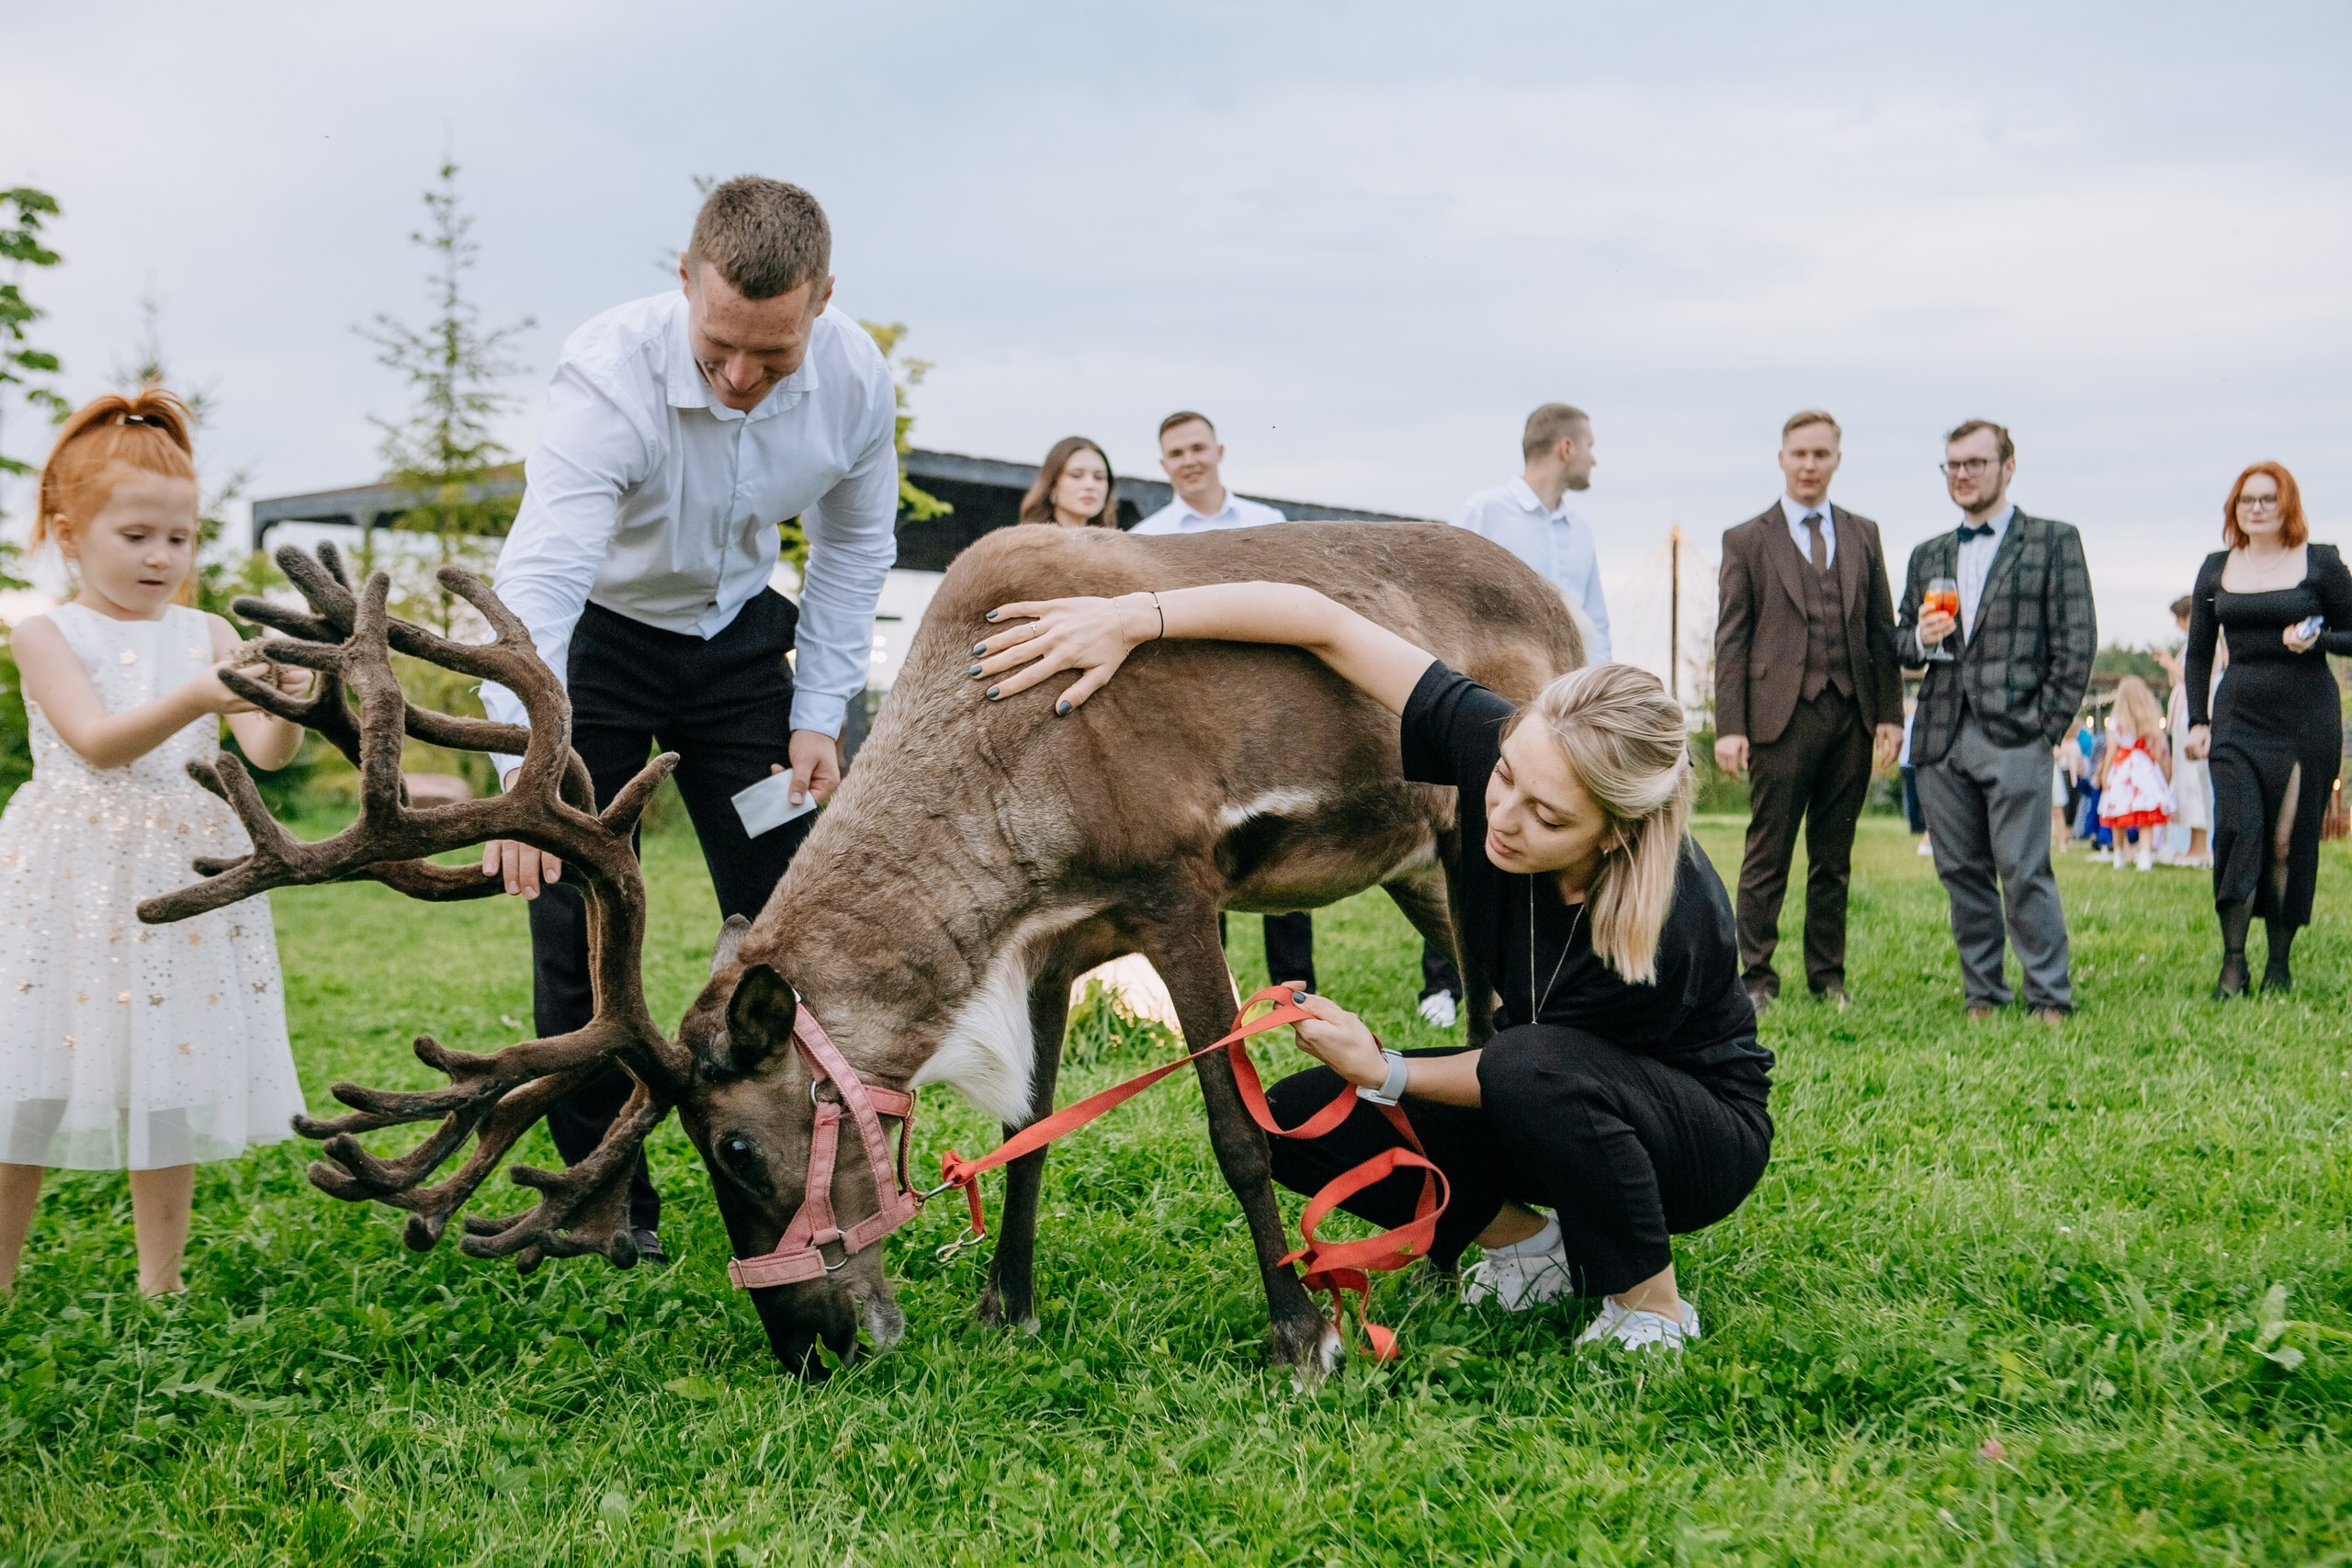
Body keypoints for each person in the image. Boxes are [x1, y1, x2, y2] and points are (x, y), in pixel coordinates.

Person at [971, 589, 1772, 1354]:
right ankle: (1531, 1249)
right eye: (1505, 777)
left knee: (1525, 1063)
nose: (1502, 814)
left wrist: (1388, 1068)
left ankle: (1653, 1304)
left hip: (1690, 1139)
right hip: (1555, 1102)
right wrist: (1133, 617)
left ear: (1613, 835)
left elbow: (1541, 1073)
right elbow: (1323, 624)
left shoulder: (1674, 915)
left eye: (1549, 816)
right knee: (1303, 1112)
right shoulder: (1493, 742)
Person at [478, 177, 900, 1261]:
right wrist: (529, 756)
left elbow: (852, 552)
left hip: (742, 657)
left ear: (823, 301)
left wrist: (819, 712)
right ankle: (606, 1196)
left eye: (775, 352)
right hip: (601, 654)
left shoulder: (855, 379)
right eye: (719, 345)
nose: (742, 376)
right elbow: (547, 574)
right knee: (576, 922)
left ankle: (809, 1166)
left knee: (788, 912)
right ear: (684, 281)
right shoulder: (606, 373)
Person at [0, 391, 310, 1297]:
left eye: (179, 539)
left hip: (183, 870)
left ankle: (160, 1282)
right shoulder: (44, 631)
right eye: (135, 536)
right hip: (66, 876)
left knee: (165, 1068)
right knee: (33, 1074)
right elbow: (96, 741)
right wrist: (201, 695)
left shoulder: (208, 635)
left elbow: (264, 751)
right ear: (68, 532)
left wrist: (284, 699)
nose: (161, 558)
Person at [1415, 402, 1618, 1027]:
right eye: (1589, 446)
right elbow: (1439, 602)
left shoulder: (1579, 532)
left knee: (1535, 846)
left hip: (1561, 717)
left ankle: (1542, 977)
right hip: (1493, 712)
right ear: (1563, 448)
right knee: (1466, 837)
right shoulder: (1484, 513)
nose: (1593, 458)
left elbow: (1595, 622)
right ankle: (1443, 984)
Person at [1897, 420, 2096, 1022]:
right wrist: (1921, 638)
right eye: (1952, 465)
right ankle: (1982, 993)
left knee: (2024, 868)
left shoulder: (2054, 541)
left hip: (2016, 733)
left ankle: (2048, 996)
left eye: (1975, 463)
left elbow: (2077, 643)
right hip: (1940, 734)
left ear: (2008, 467)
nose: (1962, 475)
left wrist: (2047, 726)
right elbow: (1900, 644)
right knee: (1960, 872)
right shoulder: (1927, 552)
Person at [1711, 411, 1904, 1010]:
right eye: (1799, 453)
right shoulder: (1746, 538)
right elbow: (1731, 638)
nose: (1809, 464)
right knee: (1767, 853)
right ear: (1781, 458)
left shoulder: (1863, 533)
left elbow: (1880, 628)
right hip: (1777, 717)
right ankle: (1757, 977)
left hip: (1851, 715)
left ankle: (1828, 977)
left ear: (1836, 460)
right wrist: (1730, 726)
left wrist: (1891, 714)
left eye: (1821, 453)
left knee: (1833, 856)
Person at [1132, 412, 1316, 992]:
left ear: (1218, 451)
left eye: (1196, 448)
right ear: (1164, 466)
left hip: (1267, 695)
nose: (1188, 460)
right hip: (1192, 708)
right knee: (1201, 845)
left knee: (1282, 833)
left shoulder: (1269, 525)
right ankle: (1225, 989)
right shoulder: (1149, 538)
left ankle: (1297, 986)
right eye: (1176, 453)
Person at [2182, 461, 2352, 997]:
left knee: (2286, 844)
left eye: (2267, 499)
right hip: (2236, 716)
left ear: (2287, 506)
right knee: (2238, 831)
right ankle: (2234, 965)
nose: (2256, 508)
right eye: (2246, 500)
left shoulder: (2321, 564)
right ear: (2235, 508)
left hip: (2306, 719)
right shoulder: (2215, 569)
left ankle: (2279, 962)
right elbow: (2199, 652)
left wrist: (2319, 639)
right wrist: (2197, 720)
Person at [2155, 594, 2215, 866]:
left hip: (2195, 716)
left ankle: (2201, 846)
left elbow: (2197, 677)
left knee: (2194, 780)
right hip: (2181, 716)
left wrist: (2170, 664)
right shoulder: (2188, 645)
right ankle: (2191, 843)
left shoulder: (2210, 641)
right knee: (2183, 779)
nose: (2179, 625)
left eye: (2180, 619)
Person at [2095, 676, 2173, 872]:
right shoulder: (2150, 721)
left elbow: (2111, 751)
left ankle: (2119, 855)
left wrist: (2105, 775)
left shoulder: (2115, 723)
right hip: (2144, 769)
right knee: (2146, 814)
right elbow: (2157, 753)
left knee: (2118, 813)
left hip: (2122, 770)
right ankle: (2145, 855)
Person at [1019, 437, 1118, 528]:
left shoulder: (1117, 546)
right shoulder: (1027, 544)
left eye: (1099, 477)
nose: (1090, 485)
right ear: (1052, 484)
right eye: (1076, 475)